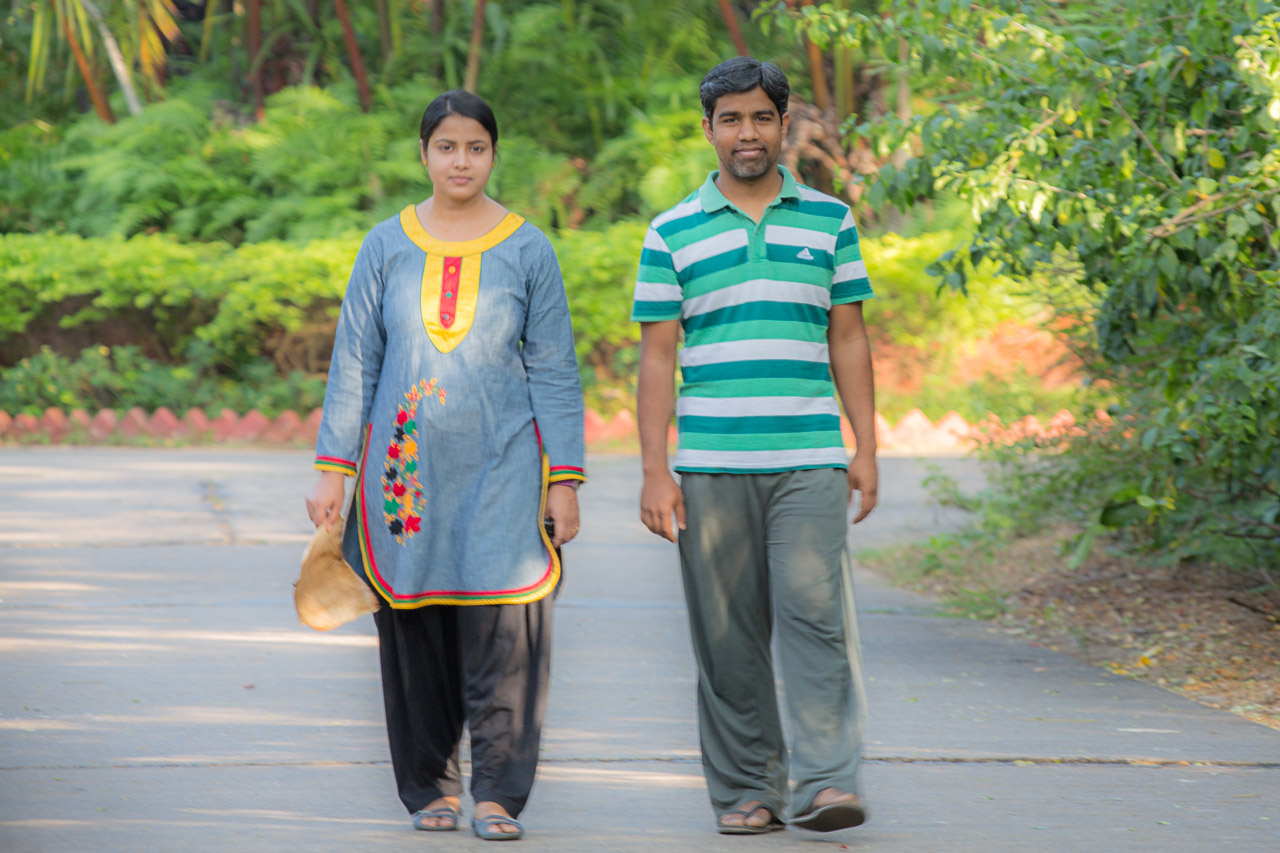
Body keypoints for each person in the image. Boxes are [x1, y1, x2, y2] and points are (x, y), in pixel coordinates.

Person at [304, 89, 585, 841]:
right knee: (415, 629)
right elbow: (355, 362)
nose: (462, 161)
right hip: (406, 478)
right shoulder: (384, 246)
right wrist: (334, 468)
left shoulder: (529, 248)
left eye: (476, 147)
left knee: (507, 627)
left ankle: (498, 793)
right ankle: (430, 785)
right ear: (424, 154)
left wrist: (565, 478)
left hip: (505, 469)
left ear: (494, 154)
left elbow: (555, 367)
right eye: (447, 147)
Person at [632, 57, 878, 835]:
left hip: (809, 457)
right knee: (726, 636)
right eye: (732, 119)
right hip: (710, 466)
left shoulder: (830, 221)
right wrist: (655, 471)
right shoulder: (671, 231)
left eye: (762, 117)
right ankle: (747, 790)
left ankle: (828, 782)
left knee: (817, 620)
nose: (748, 132)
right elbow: (657, 357)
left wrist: (866, 447)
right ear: (708, 128)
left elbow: (849, 338)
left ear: (783, 125)